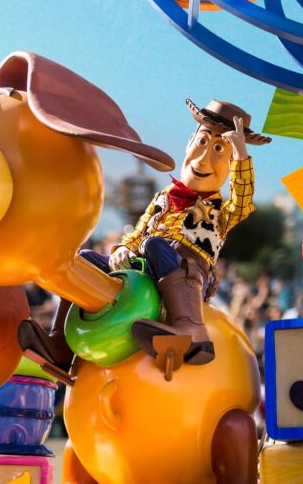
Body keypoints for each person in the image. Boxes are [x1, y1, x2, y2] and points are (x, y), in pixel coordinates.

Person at [21, 99, 269, 369]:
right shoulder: (163, 196)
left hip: (188, 271)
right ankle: (60, 346)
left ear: (231, 162)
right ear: (189, 142)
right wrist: (123, 250)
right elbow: (139, 231)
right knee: (86, 258)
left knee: (156, 245)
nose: (204, 158)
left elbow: (243, 202)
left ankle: (191, 330)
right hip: (142, 266)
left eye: (219, 148)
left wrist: (242, 156)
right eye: (202, 142)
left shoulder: (221, 210)